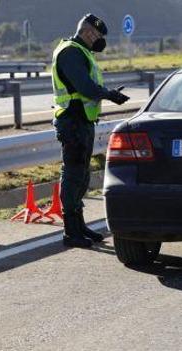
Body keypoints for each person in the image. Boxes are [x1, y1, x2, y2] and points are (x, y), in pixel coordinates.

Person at [52, 13, 130, 248]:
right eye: (96, 35)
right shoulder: (71, 52)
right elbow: (84, 87)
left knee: (82, 175)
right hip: (72, 121)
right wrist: (109, 94)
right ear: (87, 32)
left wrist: (107, 92)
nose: (98, 40)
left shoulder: (82, 51)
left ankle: (80, 226)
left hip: (82, 121)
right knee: (73, 175)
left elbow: (89, 85)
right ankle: (70, 231)